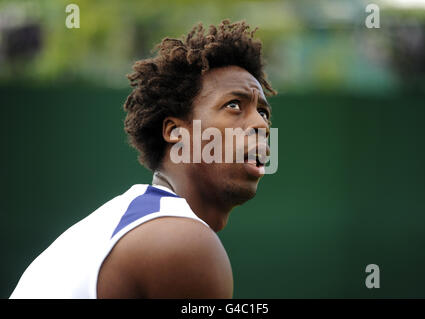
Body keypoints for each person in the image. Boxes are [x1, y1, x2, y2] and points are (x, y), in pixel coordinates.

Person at [10, 19, 276, 299]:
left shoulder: (127, 223)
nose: (261, 124)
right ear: (176, 132)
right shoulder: (181, 241)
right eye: (233, 105)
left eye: (264, 113)